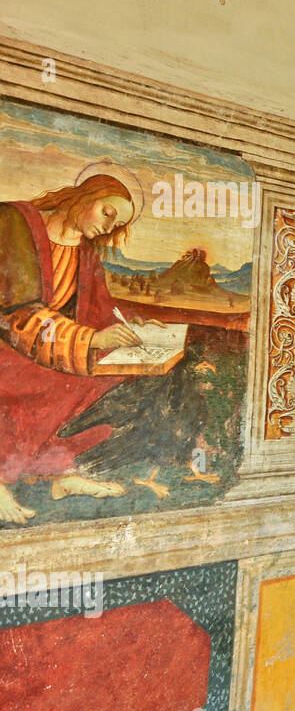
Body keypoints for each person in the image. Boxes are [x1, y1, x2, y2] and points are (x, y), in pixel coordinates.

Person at [0, 166, 156, 526]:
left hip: (49, 343)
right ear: (88, 194)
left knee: (100, 377)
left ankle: (59, 474)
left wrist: (135, 324)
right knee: (45, 379)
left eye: (116, 225)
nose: (108, 227)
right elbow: (15, 313)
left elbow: (100, 312)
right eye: (108, 213)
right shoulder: (15, 221)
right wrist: (89, 340)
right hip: (9, 341)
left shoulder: (85, 253)